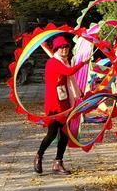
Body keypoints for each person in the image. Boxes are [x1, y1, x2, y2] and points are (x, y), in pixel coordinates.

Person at [33, 36, 90, 175]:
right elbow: (69, 73)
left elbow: (71, 81)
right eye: (62, 47)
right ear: (56, 49)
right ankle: (38, 156)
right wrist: (83, 62)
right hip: (54, 105)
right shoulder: (53, 62)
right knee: (52, 134)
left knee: (65, 134)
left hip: (65, 103)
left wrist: (79, 92)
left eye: (66, 47)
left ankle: (58, 162)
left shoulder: (65, 62)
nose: (65, 49)